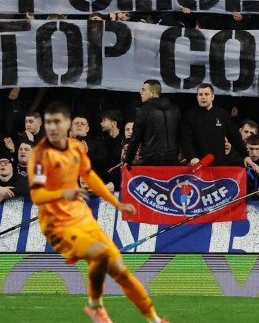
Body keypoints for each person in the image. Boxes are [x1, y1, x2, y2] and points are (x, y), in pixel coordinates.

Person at [29, 102, 168, 323]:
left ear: (67, 125)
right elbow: (37, 196)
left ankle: (155, 319)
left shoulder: (75, 148)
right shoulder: (38, 156)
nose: (53, 127)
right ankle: (95, 306)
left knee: (120, 270)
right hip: (56, 224)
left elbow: (91, 177)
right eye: (49, 123)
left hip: (81, 217)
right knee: (101, 255)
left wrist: (117, 203)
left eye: (57, 122)